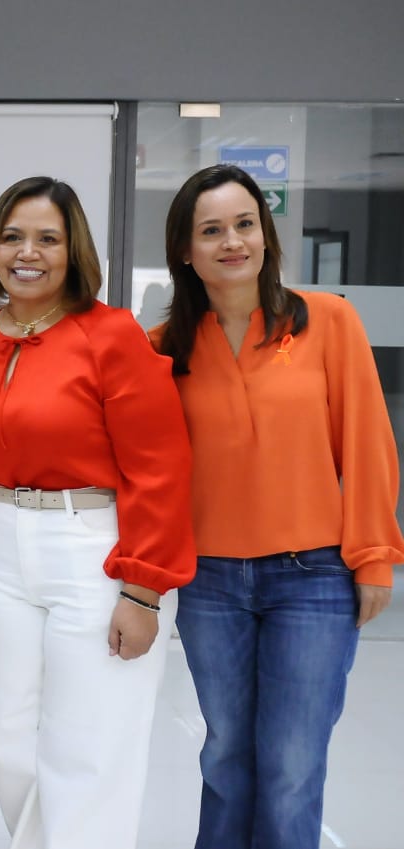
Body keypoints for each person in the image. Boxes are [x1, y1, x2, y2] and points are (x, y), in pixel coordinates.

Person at [152, 164, 404, 849]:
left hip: (313, 578)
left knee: (293, 763)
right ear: (185, 250)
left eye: (245, 224)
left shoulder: (328, 321)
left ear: (266, 233)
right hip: (209, 583)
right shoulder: (165, 349)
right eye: (211, 230)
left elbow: (368, 443)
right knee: (226, 755)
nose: (232, 241)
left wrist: (374, 556)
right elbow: (151, 471)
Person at [0, 176, 196, 849]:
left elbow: (159, 466)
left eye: (47, 239)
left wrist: (143, 589)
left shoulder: (111, 335)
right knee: (9, 739)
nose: (27, 253)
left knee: (90, 741)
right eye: (12, 237)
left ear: (73, 250)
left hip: (92, 544)